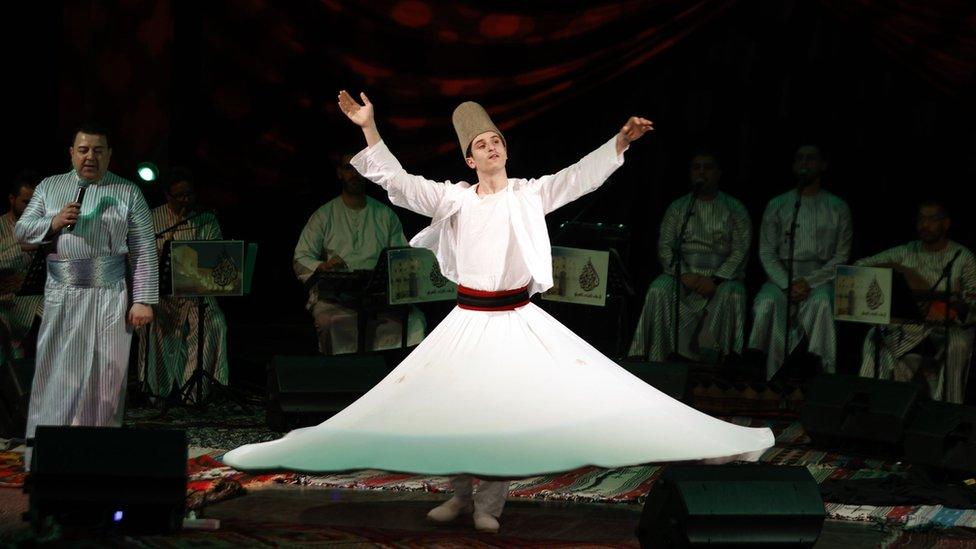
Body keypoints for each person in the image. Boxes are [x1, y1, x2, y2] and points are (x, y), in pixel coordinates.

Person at [223, 92, 773, 534]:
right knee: (458, 407)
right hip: (467, 320)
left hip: (515, 320)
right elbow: (397, 182)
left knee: (504, 410)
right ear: (468, 158)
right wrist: (369, 129)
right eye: (481, 144)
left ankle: (490, 500)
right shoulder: (455, 199)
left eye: (496, 141)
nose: (491, 148)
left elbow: (578, 176)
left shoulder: (529, 195)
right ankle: (460, 495)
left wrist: (619, 142)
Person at [15, 123, 157, 468]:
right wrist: (53, 221)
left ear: (109, 154)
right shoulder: (50, 187)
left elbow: (143, 249)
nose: (90, 157)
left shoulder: (128, 192)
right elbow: (21, 232)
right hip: (62, 294)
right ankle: (47, 457)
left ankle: (98, 457)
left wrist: (143, 299)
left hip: (110, 295)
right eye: (83, 150)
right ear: (71, 153)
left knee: (107, 376)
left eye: (97, 150)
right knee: (57, 373)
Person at [294, 155, 425, 355]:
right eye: (349, 168)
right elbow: (301, 257)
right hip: (338, 299)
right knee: (329, 322)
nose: (355, 174)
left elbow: (402, 257)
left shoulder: (384, 214)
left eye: (360, 168)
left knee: (414, 321)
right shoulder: (324, 215)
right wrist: (322, 267)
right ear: (340, 173)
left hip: (378, 298)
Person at [628, 152, 751, 363]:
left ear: (719, 173)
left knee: (734, 293)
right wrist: (684, 273)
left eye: (708, 167)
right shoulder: (678, 207)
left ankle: (721, 360)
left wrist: (716, 279)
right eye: (696, 167)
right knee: (659, 288)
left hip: (721, 279)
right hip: (683, 275)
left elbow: (741, 249)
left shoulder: (734, 208)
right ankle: (657, 357)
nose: (701, 172)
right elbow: (665, 246)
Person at [748, 145, 852, 379]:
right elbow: (766, 251)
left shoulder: (838, 207)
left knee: (824, 303)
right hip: (781, 278)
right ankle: (763, 373)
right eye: (800, 158)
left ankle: (821, 371)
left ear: (823, 165)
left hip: (820, 280)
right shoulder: (778, 204)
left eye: (811, 158)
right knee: (765, 302)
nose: (805, 163)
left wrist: (808, 282)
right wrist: (788, 283)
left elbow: (841, 256)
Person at [857, 200, 976, 403]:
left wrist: (951, 310)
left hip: (947, 327)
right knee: (874, 334)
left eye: (932, 219)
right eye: (921, 219)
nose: (925, 225)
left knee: (958, 344)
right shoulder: (905, 252)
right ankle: (870, 399)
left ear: (946, 224)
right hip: (912, 325)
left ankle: (946, 408)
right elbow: (860, 266)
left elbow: (973, 297)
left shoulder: (962, 257)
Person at [138, 167, 228, 398]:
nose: (186, 200)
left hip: (196, 292)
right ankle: (160, 391)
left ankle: (196, 391)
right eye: (180, 196)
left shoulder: (205, 218)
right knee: (154, 323)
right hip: (163, 294)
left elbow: (216, 258)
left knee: (215, 322)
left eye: (189, 194)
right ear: (168, 196)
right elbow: (141, 259)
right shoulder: (152, 217)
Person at [0, 172, 43, 358]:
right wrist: (19, 246)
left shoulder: (41, 227)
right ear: (12, 199)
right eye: (26, 202)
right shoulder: (1, 225)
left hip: (36, 296)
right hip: (7, 301)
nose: (30, 209)